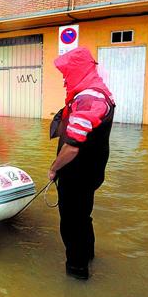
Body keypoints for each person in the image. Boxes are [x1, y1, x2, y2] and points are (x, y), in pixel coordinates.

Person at [49, 47, 115, 280]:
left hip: (77, 175)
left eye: (66, 73)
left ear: (77, 70)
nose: (65, 78)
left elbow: (73, 146)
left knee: (71, 223)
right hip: (91, 173)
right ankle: (88, 256)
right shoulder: (98, 93)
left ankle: (77, 273)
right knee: (83, 217)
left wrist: (54, 168)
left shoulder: (89, 98)